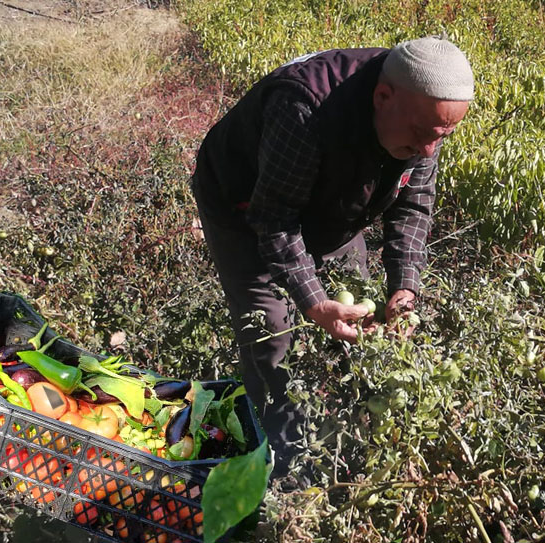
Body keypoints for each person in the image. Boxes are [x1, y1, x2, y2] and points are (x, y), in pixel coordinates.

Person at [190, 36, 474, 478]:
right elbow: (275, 217)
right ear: (383, 97)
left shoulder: (422, 116)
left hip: (334, 202)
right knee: (274, 333)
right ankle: (281, 461)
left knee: (357, 312)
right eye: (423, 136)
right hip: (246, 206)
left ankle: (342, 435)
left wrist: (404, 288)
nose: (429, 152)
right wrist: (313, 301)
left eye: (442, 138)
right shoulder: (305, 107)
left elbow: (413, 206)